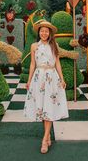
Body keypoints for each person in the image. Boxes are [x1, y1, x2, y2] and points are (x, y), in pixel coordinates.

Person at [24, 20, 69, 154]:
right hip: (39, 78)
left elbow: (57, 63)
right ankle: (48, 135)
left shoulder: (54, 45)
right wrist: (29, 80)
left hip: (51, 78)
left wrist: (62, 78)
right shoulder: (34, 46)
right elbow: (32, 64)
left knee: (49, 106)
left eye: (46, 31)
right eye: (42, 31)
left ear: (49, 33)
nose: (44, 33)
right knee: (42, 107)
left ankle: (44, 139)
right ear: (39, 32)